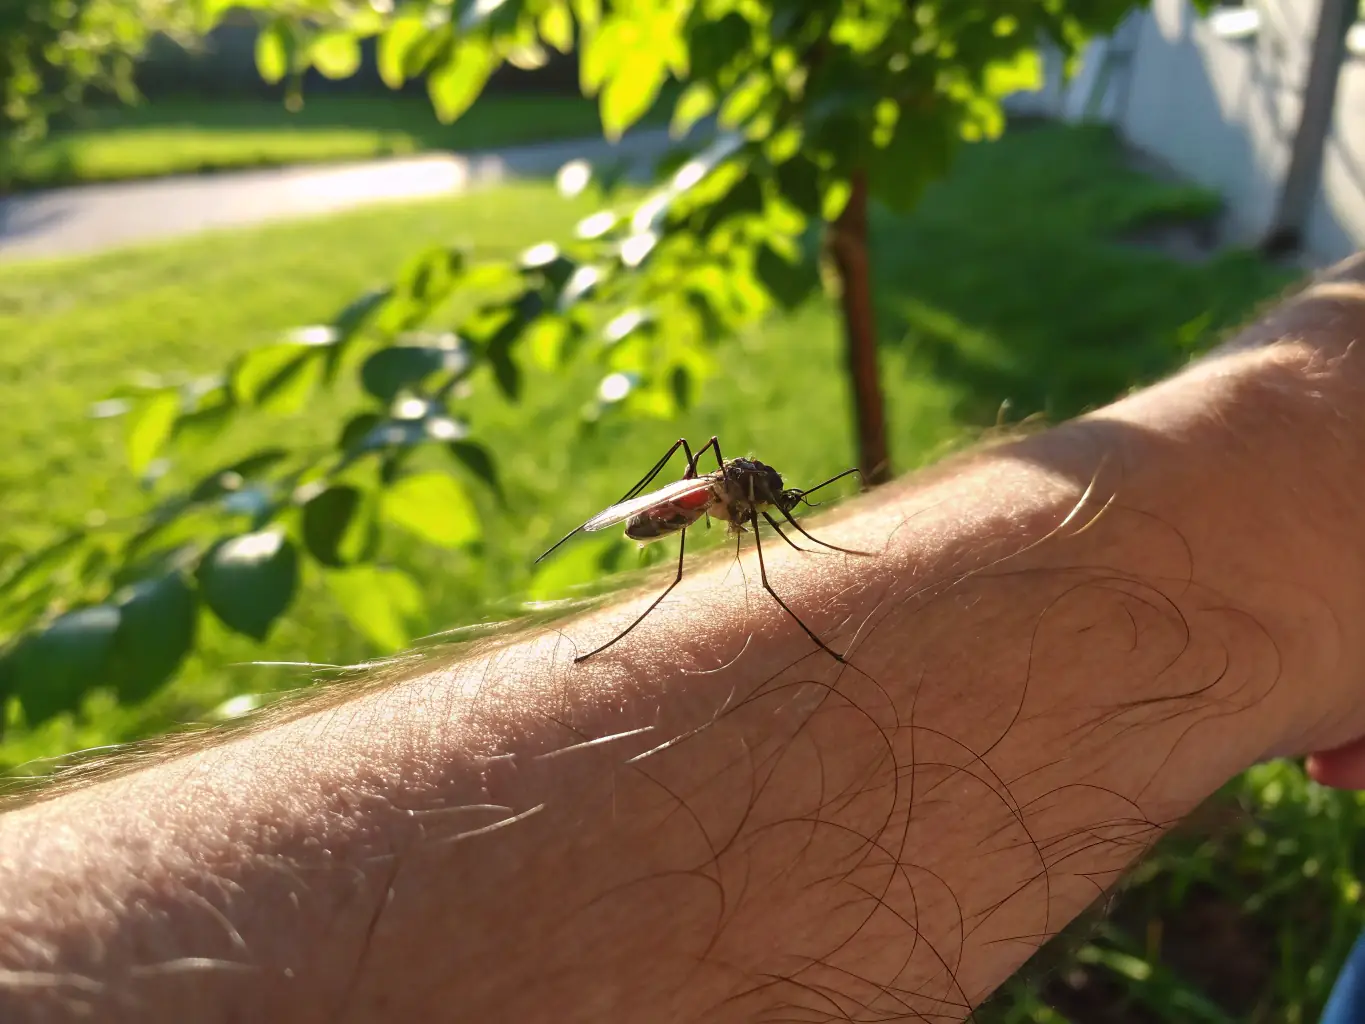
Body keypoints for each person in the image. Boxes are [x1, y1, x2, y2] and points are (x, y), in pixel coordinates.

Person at [5, 254, 1365, 1024]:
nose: (764, 517)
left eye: (753, 506)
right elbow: (752, 523)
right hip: (679, 515)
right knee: (747, 560)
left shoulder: (761, 502)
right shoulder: (724, 501)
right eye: (758, 506)